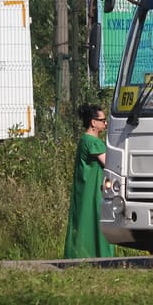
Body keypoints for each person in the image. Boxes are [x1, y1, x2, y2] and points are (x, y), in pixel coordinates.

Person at [63, 103, 114, 259]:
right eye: (103, 120)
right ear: (93, 122)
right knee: (98, 220)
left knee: (84, 222)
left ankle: (81, 254)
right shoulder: (93, 142)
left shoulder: (84, 140)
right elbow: (110, 164)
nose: (105, 123)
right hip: (93, 191)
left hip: (85, 189)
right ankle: (101, 256)